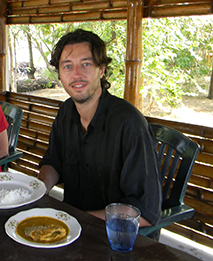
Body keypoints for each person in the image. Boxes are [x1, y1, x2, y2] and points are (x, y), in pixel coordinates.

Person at [38, 29, 161, 229]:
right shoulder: (66, 112)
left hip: (118, 238)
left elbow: (144, 212)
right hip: (72, 228)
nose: (76, 74)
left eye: (86, 64)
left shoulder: (129, 124)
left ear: (101, 70)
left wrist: (77, 220)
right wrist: (37, 191)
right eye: (67, 66)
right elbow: (53, 162)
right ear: (59, 75)